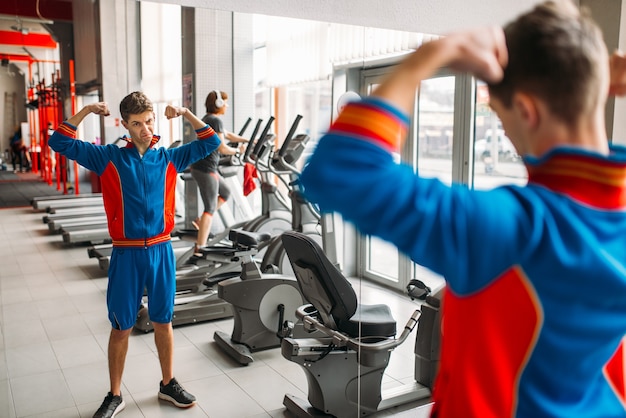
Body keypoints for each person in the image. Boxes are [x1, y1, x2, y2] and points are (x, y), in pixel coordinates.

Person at [299, 1, 626, 416]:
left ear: (527, 110)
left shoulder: (512, 231)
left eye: (503, 118)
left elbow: (339, 170)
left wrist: (429, 57)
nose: (506, 134)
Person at [49, 91, 221, 418]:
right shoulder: (109, 157)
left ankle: (168, 383)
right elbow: (60, 141)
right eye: (137, 123)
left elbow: (210, 141)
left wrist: (185, 112)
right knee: (121, 325)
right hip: (126, 254)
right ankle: (114, 394)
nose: (145, 129)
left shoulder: (168, 157)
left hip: (161, 250)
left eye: (149, 121)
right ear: (125, 125)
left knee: (163, 320)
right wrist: (86, 109)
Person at [188, 90, 248, 261]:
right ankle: (200, 249)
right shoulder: (216, 120)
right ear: (219, 104)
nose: (227, 106)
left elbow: (228, 135)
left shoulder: (208, 119)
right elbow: (222, 147)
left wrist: (248, 141)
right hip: (207, 169)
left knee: (226, 192)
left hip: (202, 167)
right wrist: (238, 150)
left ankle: (201, 222)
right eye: (225, 102)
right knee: (209, 208)